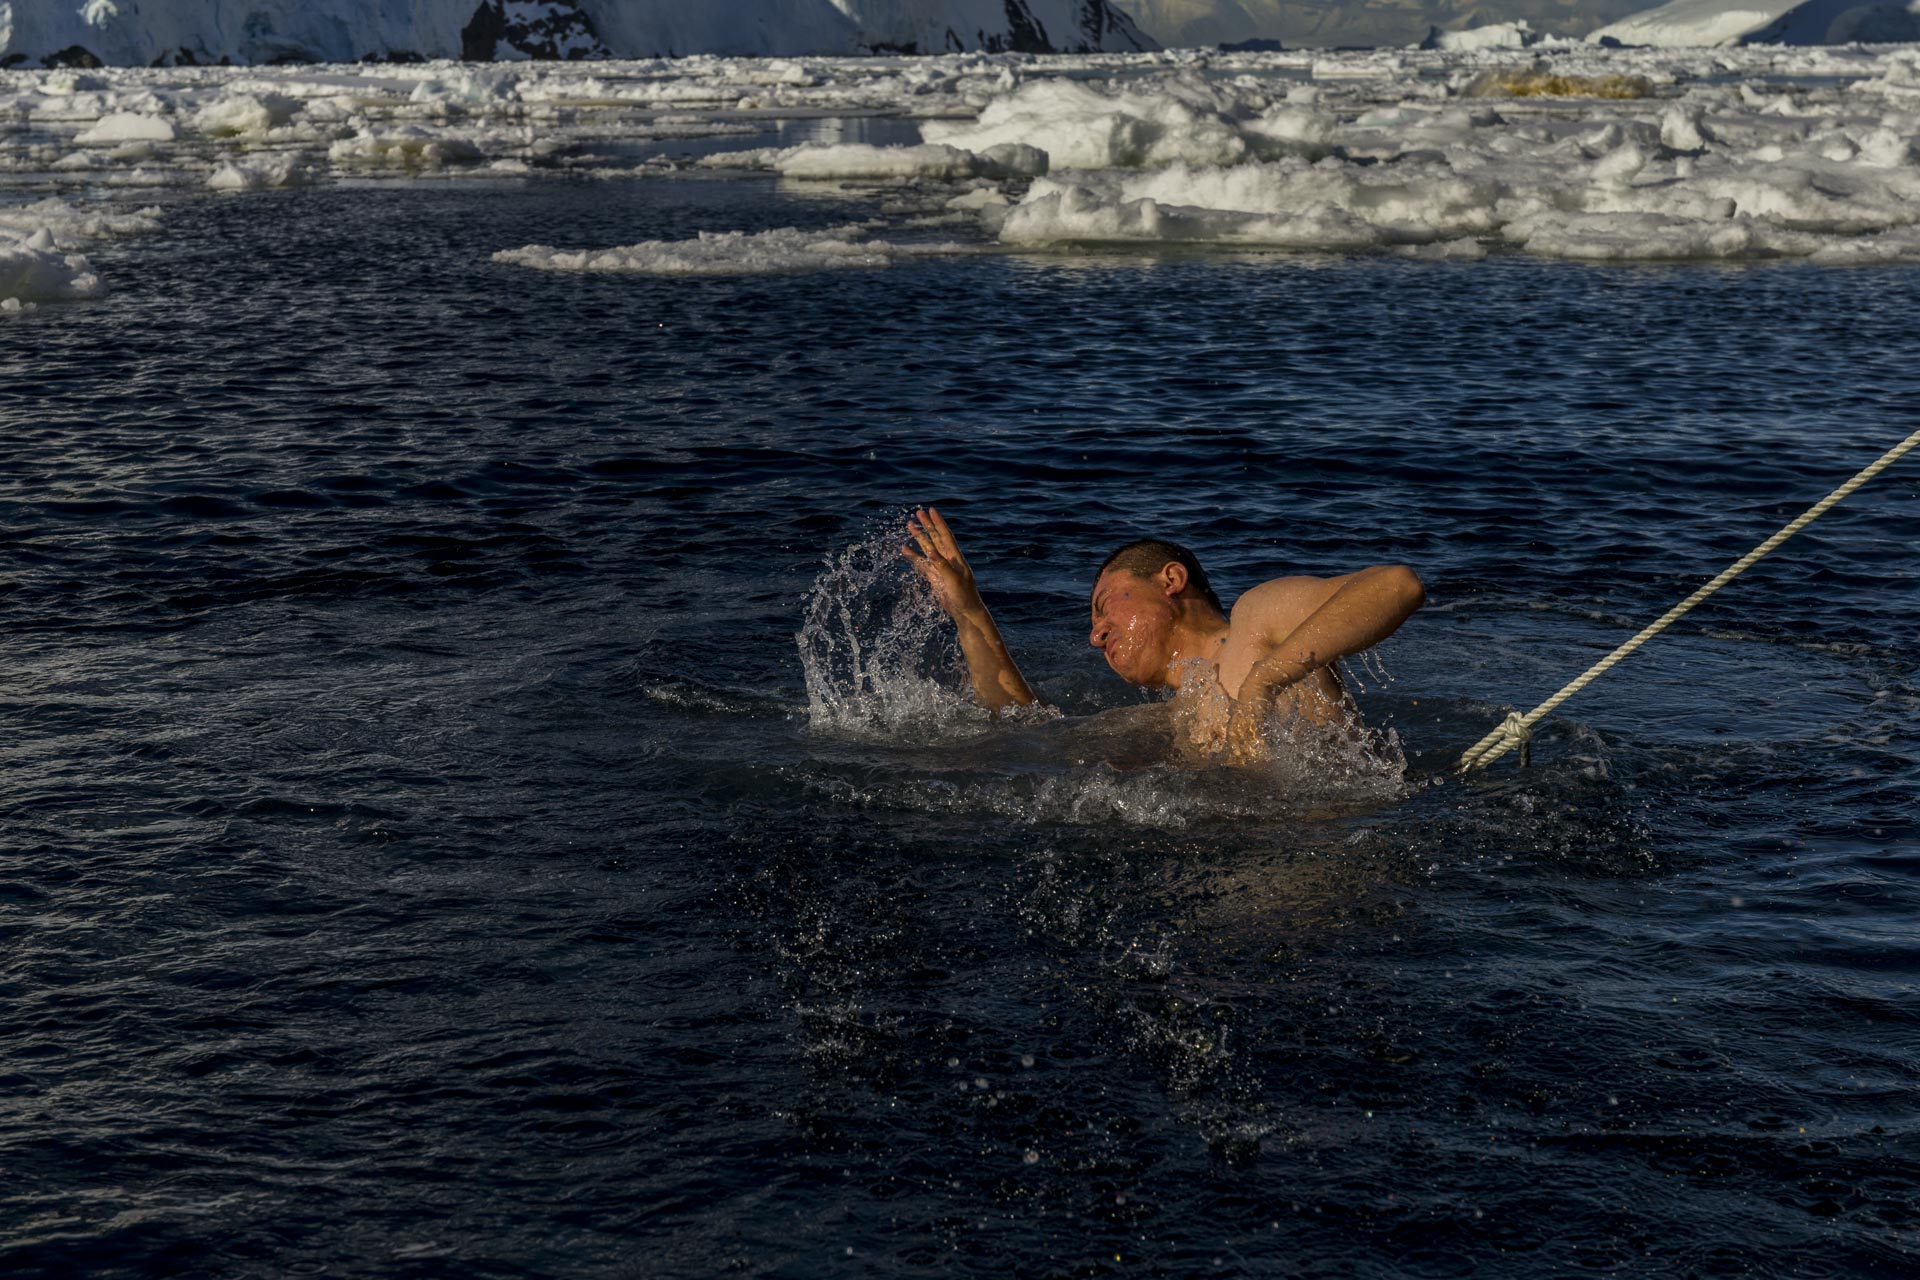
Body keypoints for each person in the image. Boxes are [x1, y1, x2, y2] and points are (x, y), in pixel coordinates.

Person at [902, 506, 1424, 762]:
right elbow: (1023, 730)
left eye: (1105, 606)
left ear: (1171, 581)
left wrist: (1266, 680)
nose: (1094, 635)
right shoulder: (1169, 720)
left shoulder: (1257, 621)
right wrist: (968, 612)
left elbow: (1396, 585)